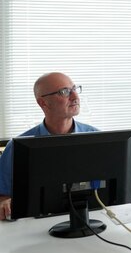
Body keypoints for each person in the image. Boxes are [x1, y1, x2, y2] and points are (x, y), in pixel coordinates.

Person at [0, 72, 99, 221]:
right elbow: (3, 195)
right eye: (64, 92)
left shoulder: (97, 138)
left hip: (89, 220)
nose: (75, 97)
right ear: (43, 103)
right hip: (35, 227)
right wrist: (5, 202)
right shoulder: (16, 147)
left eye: (74, 89)